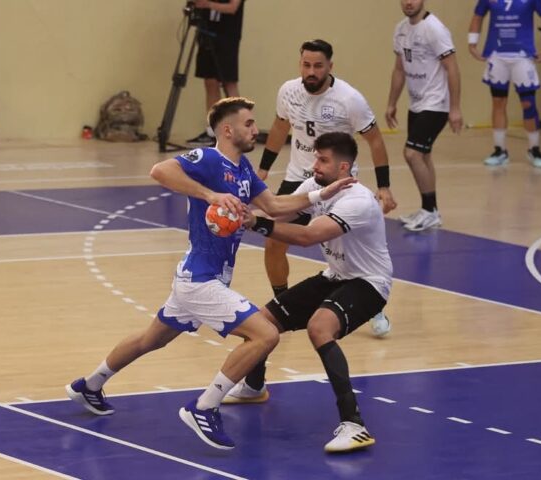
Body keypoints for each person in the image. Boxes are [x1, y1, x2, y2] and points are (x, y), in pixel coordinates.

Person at [65, 97, 354, 450]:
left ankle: (89, 385)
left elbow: (275, 206)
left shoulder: (243, 168)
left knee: (151, 339)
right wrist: (210, 195)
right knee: (265, 335)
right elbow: (160, 171)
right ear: (228, 130)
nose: (255, 129)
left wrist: (322, 192)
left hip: (199, 276)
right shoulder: (208, 159)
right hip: (201, 281)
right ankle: (204, 407)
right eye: (249, 123)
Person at [228, 132, 393, 453]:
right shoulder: (315, 186)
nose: (315, 164)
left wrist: (255, 224)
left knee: (320, 327)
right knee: (262, 322)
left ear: (343, 167)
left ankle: (355, 425)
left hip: (369, 282)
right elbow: (278, 213)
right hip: (335, 275)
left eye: (323, 160)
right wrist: (235, 204)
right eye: (316, 157)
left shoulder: (357, 201)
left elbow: (307, 236)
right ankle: (254, 386)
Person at [257, 39, 397, 298]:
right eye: (306, 65)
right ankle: (282, 302)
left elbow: (375, 140)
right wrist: (264, 168)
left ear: (330, 66)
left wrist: (384, 186)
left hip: (337, 184)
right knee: (274, 241)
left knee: (347, 251)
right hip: (298, 178)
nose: (311, 71)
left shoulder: (349, 99)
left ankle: (371, 301)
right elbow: (279, 127)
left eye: (318, 66)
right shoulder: (288, 91)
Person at [386, 0, 462, 231]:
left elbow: (452, 68)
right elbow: (399, 69)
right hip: (416, 103)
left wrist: (455, 108)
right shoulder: (401, 29)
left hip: (436, 103)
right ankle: (430, 210)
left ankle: (430, 211)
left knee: (412, 154)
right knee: (424, 156)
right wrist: (392, 103)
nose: (409, 2)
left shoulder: (434, 28)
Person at [468, 0, 541, 168]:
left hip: (523, 56)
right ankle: (500, 150)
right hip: (497, 55)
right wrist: (472, 43)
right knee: (498, 102)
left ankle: (534, 149)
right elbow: (478, 15)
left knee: (528, 103)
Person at [187, 0, 245, 146]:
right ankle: (212, 131)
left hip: (227, 37)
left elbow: (232, 7)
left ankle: (240, 129)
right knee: (210, 81)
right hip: (207, 33)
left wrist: (207, 4)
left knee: (229, 81)